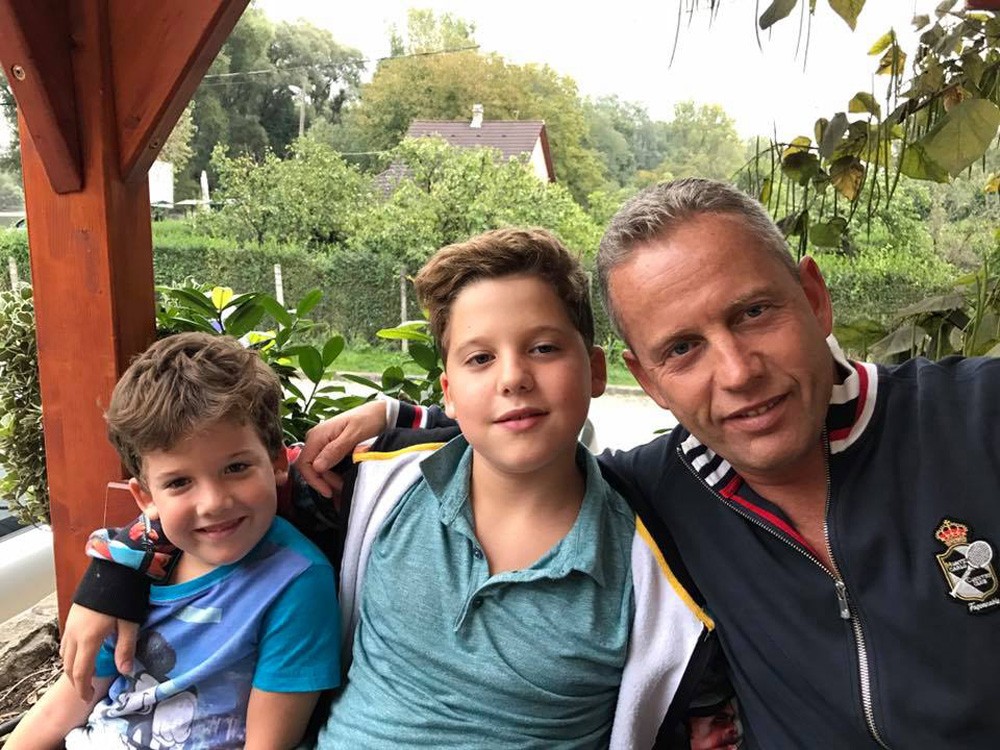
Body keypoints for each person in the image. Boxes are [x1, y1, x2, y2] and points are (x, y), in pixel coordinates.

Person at [299, 178, 1000, 748]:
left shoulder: (979, 420)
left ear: (814, 299)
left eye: (754, 313)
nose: (738, 372)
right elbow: (524, 445)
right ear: (647, 378)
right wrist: (400, 422)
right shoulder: (657, 492)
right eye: (682, 349)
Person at [59, 229, 739, 749]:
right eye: (480, 358)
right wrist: (112, 575)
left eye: (543, 348)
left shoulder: (653, 555)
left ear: (594, 371)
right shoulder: (369, 481)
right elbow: (215, 492)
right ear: (449, 390)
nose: (512, 378)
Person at [6, 333, 341, 750]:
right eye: (179, 482)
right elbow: (64, 707)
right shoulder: (129, 572)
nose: (214, 502)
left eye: (236, 467)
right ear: (146, 498)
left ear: (276, 462)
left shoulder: (296, 583)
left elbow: (267, 743)